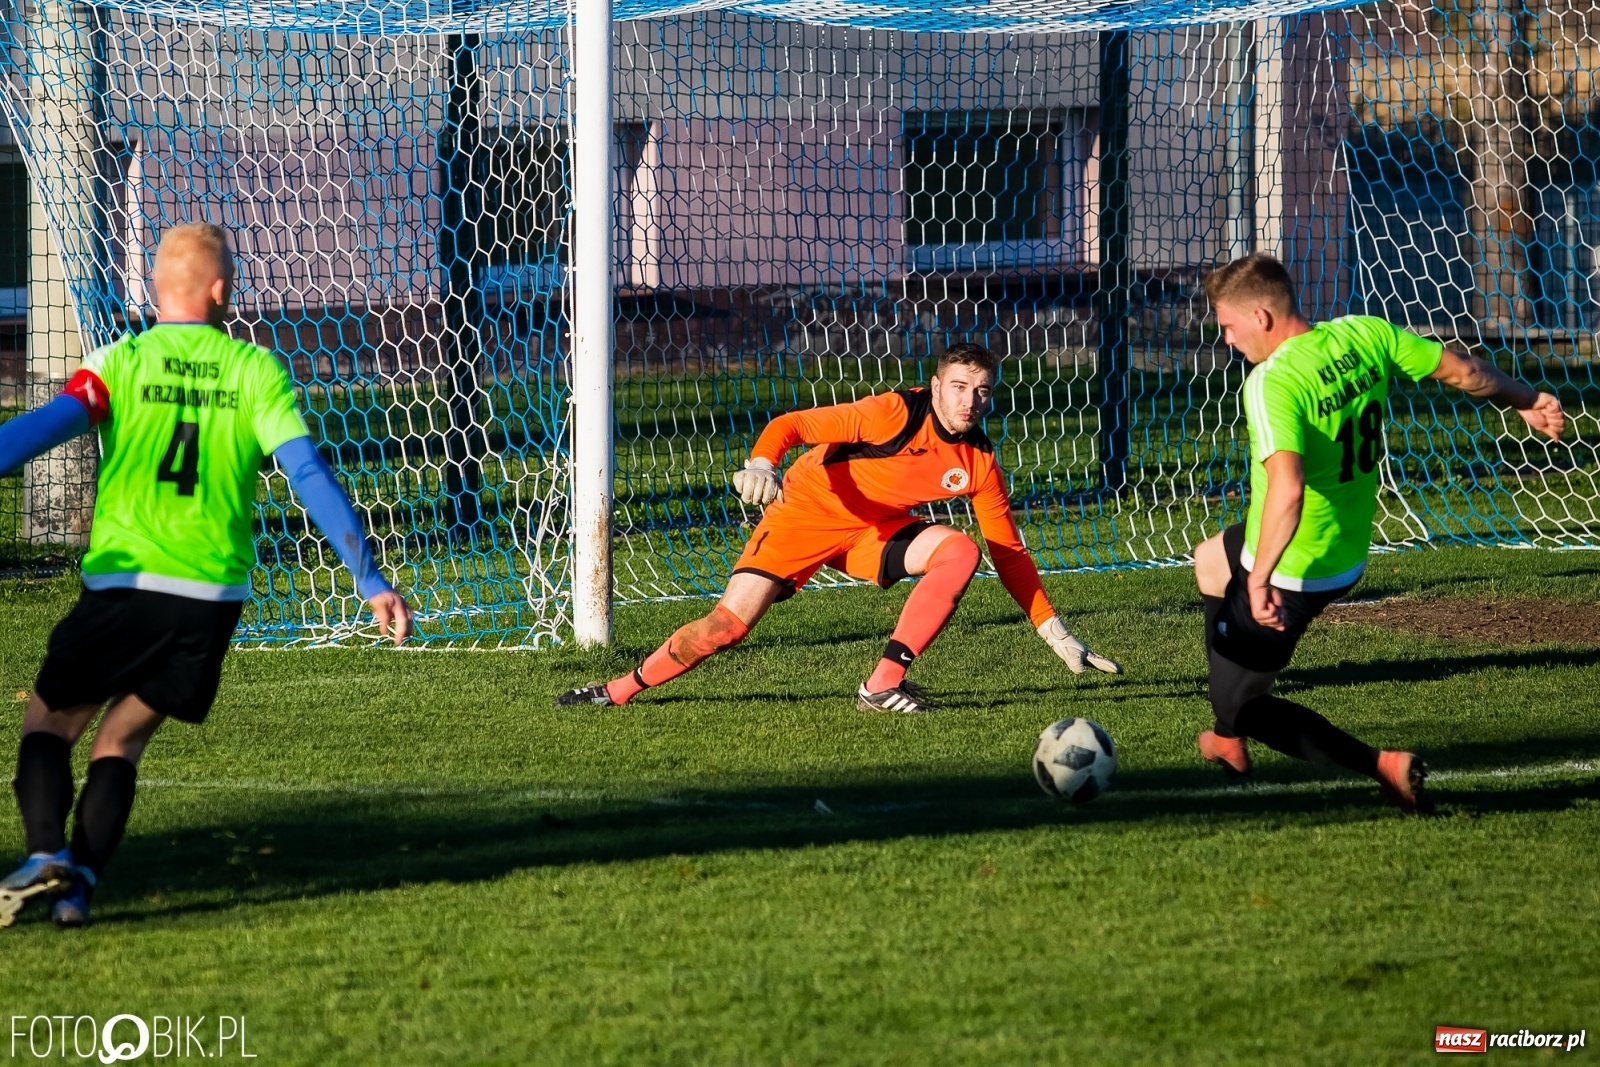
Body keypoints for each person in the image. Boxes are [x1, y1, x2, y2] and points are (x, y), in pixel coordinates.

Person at [0, 222, 413, 928]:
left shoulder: (119, 361)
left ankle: (44, 853)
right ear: (222, 290)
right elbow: (307, 473)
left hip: (125, 585)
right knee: (120, 739)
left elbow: (44, 426)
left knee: (48, 721)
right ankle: (76, 894)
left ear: (157, 288)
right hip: (210, 602)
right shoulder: (256, 371)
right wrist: (369, 576)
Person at [557, 343, 1122, 714]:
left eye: (982, 391)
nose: (970, 401)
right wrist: (761, 464)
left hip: (871, 532)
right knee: (725, 627)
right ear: (934, 384)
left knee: (961, 552)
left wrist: (1055, 632)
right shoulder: (892, 414)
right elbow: (792, 423)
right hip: (805, 513)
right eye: (958, 386)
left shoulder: (978, 463)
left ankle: (881, 685)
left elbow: (1011, 554)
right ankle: (616, 691)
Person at [1194, 253, 1565, 812]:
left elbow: (1288, 491)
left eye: (1227, 325)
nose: (1226, 340)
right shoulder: (1362, 332)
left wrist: (1260, 578)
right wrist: (1527, 399)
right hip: (1346, 544)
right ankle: (1233, 703)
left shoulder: (1271, 384)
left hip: (1297, 563)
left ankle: (1378, 766)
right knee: (1210, 559)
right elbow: (1463, 370)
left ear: (1261, 317)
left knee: (1242, 707)